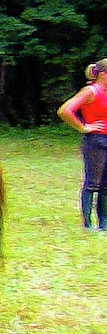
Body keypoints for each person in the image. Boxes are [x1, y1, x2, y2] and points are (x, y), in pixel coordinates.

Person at [57, 59, 107, 232]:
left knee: (105, 185)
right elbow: (65, 110)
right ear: (103, 74)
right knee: (93, 183)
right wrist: (84, 127)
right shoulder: (90, 91)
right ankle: (87, 223)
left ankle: (104, 223)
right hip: (95, 142)